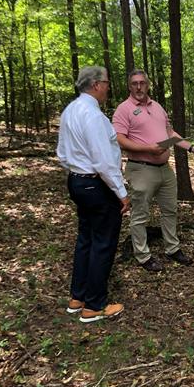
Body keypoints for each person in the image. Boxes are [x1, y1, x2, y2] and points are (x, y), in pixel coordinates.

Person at [57, 66, 130, 322]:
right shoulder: (93, 116)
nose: (108, 87)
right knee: (103, 242)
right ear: (96, 85)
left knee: (86, 238)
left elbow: (62, 153)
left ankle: (77, 297)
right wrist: (121, 192)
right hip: (96, 184)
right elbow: (103, 161)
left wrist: (76, 170)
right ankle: (94, 305)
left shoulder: (70, 111)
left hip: (77, 181)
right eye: (106, 82)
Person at [113, 69, 194, 272]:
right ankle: (143, 256)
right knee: (140, 215)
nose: (139, 87)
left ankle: (172, 249)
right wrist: (148, 149)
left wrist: (192, 148)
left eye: (142, 82)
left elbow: (170, 133)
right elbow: (119, 139)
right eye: (134, 83)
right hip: (141, 169)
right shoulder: (123, 109)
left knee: (170, 210)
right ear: (129, 86)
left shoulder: (157, 107)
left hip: (165, 170)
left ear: (148, 84)